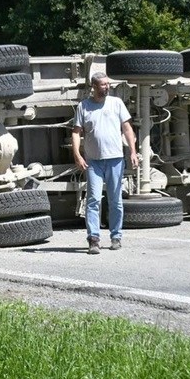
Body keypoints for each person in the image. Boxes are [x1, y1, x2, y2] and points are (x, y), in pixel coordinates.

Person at [72, 72, 139, 255]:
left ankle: (116, 236)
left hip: (115, 159)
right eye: (103, 85)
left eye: (108, 84)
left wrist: (132, 151)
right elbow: (77, 132)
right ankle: (93, 239)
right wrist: (77, 155)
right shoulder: (83, 107)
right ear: (93, 86)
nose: (107, 87)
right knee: (93, 199)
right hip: (94, 161)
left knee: (115, 200)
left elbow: (127, 128)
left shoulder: (116, 103)